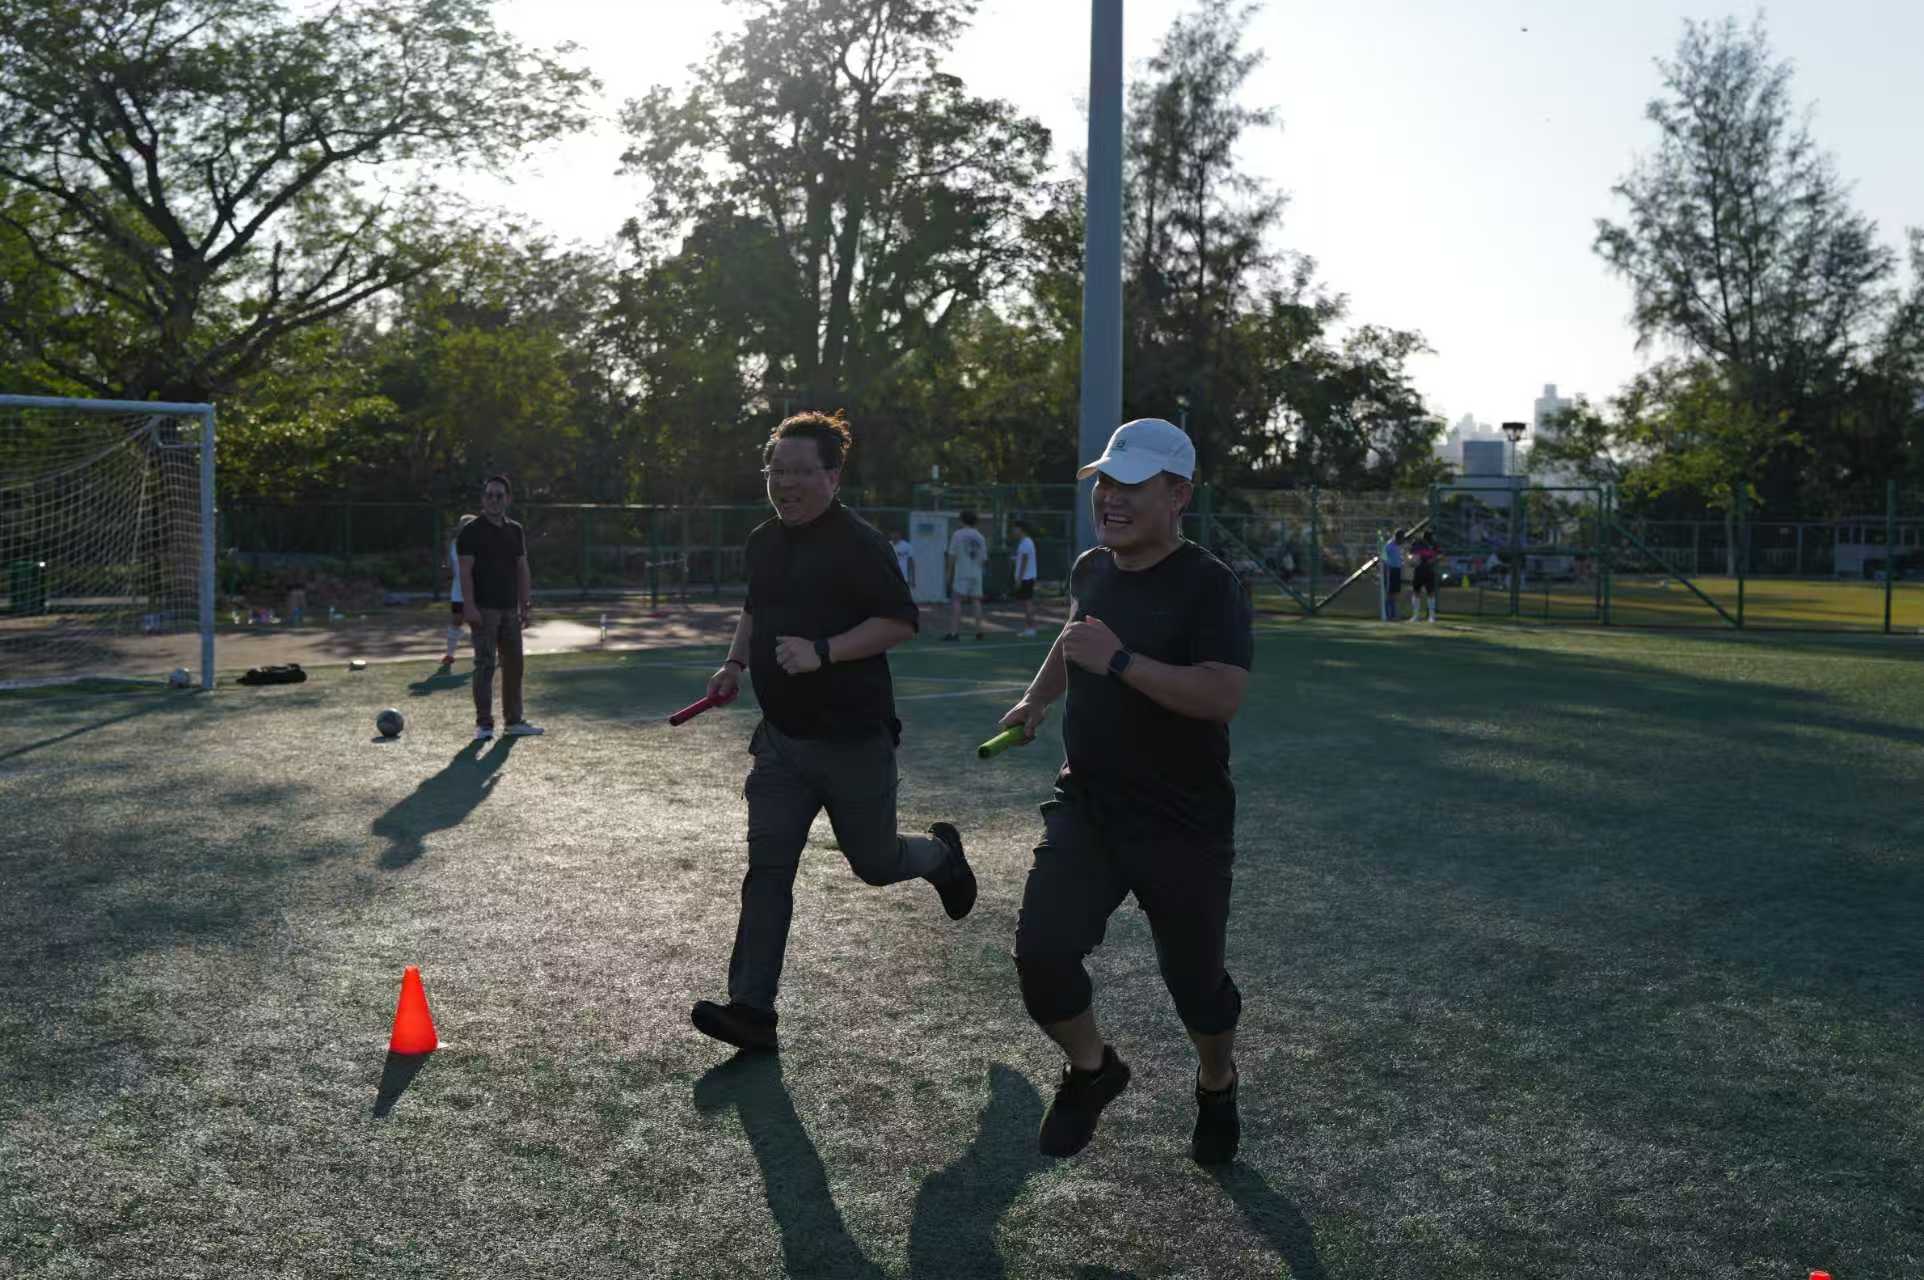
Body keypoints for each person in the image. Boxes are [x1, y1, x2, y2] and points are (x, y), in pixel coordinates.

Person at [996, 417, 1253, 1166]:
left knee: (1196, 988)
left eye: (1131, 484)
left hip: (1184, 820)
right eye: (1105, 481)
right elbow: (1075, 636)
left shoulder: (1211, 586)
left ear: (1178, 495)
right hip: (1090, 805)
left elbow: (1221, 695)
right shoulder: (1093, 569)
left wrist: (1121, 662)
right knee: (1042, 955)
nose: (1111, 496)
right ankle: (1093, 1069)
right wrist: (1037, 699)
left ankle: (1216, 1081)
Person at [690, 410, 976, 1054]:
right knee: (768, 870)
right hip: (781, 744)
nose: (785, 482)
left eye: (799, 471)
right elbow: (755, 609)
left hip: (854, 742)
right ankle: (752, 1011)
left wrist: (824, 651)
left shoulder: (861, 545)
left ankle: (940, 857)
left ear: (833, 476)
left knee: (875, 864)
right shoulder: (763, 541)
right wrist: (734, 664)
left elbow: (900, 623)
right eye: (776, 470)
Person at [456, 475, 543, 742]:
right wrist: (469, 607)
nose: (494, 500)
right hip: (484, 610)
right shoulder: (470, 531)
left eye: (499, 495)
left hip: (510, 610)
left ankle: (514, 721)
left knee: (514, 665)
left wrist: (525, 604)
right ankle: (484, 724)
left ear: (508, 499)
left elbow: (522, 568)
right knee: (485, 665)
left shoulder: (515, 530)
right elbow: (465, 572)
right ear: (483, 500)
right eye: (489, 495)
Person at [944, 510, 988, 641]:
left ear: (962, 520)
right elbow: (984, 559)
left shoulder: (957, 535)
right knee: (976, 601)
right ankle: (979, 631)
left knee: (957, 600)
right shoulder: (980, 537)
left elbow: (952, 555)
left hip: (962, 573)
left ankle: (954, 633)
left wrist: (948, 572)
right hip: (976, 573)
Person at [440, 514, 477, 667]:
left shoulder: (481, 543)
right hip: (458, 592)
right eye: (464, 526)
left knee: (477, 624)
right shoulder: (454, 544)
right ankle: (449, 655)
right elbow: (449, 566)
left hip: (478, 592)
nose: (467, 528)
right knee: (456, 621)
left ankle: (484, 655)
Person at [1011, 519, 1040, 637]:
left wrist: (1019, 579)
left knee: (1027, 603)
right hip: (1027, 577)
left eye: (1015, 529)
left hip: (1026, 578)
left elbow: (1024, 561)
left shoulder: (1026, 543)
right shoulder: (1024, 542)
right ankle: (1029, 627)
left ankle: (1031, 628)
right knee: (1026, 603)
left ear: (1020, 529)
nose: (1013, 531)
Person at [1409, 528, 1440, 622]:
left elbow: (1440, 555)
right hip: (1419, 570)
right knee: (1416, 592)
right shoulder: (1417, 543)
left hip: (1429, 571)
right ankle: (1416, 615)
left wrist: (1433, 559)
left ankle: (1431, 616)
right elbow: (1411, 555)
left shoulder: (1434, 544)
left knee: (1430, 593)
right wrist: (1413, 560)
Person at [1381, 528, 1405, 621]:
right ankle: (1388, 615)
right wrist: (1387, 569)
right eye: (1402, 538)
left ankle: (1394, 614)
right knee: (1389, 593)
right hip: (1390, 571)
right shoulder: (1388, 546)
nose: (1403, 540)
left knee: (1395, 594)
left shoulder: (1399, 546)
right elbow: (1383, 559)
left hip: (1397, 570)